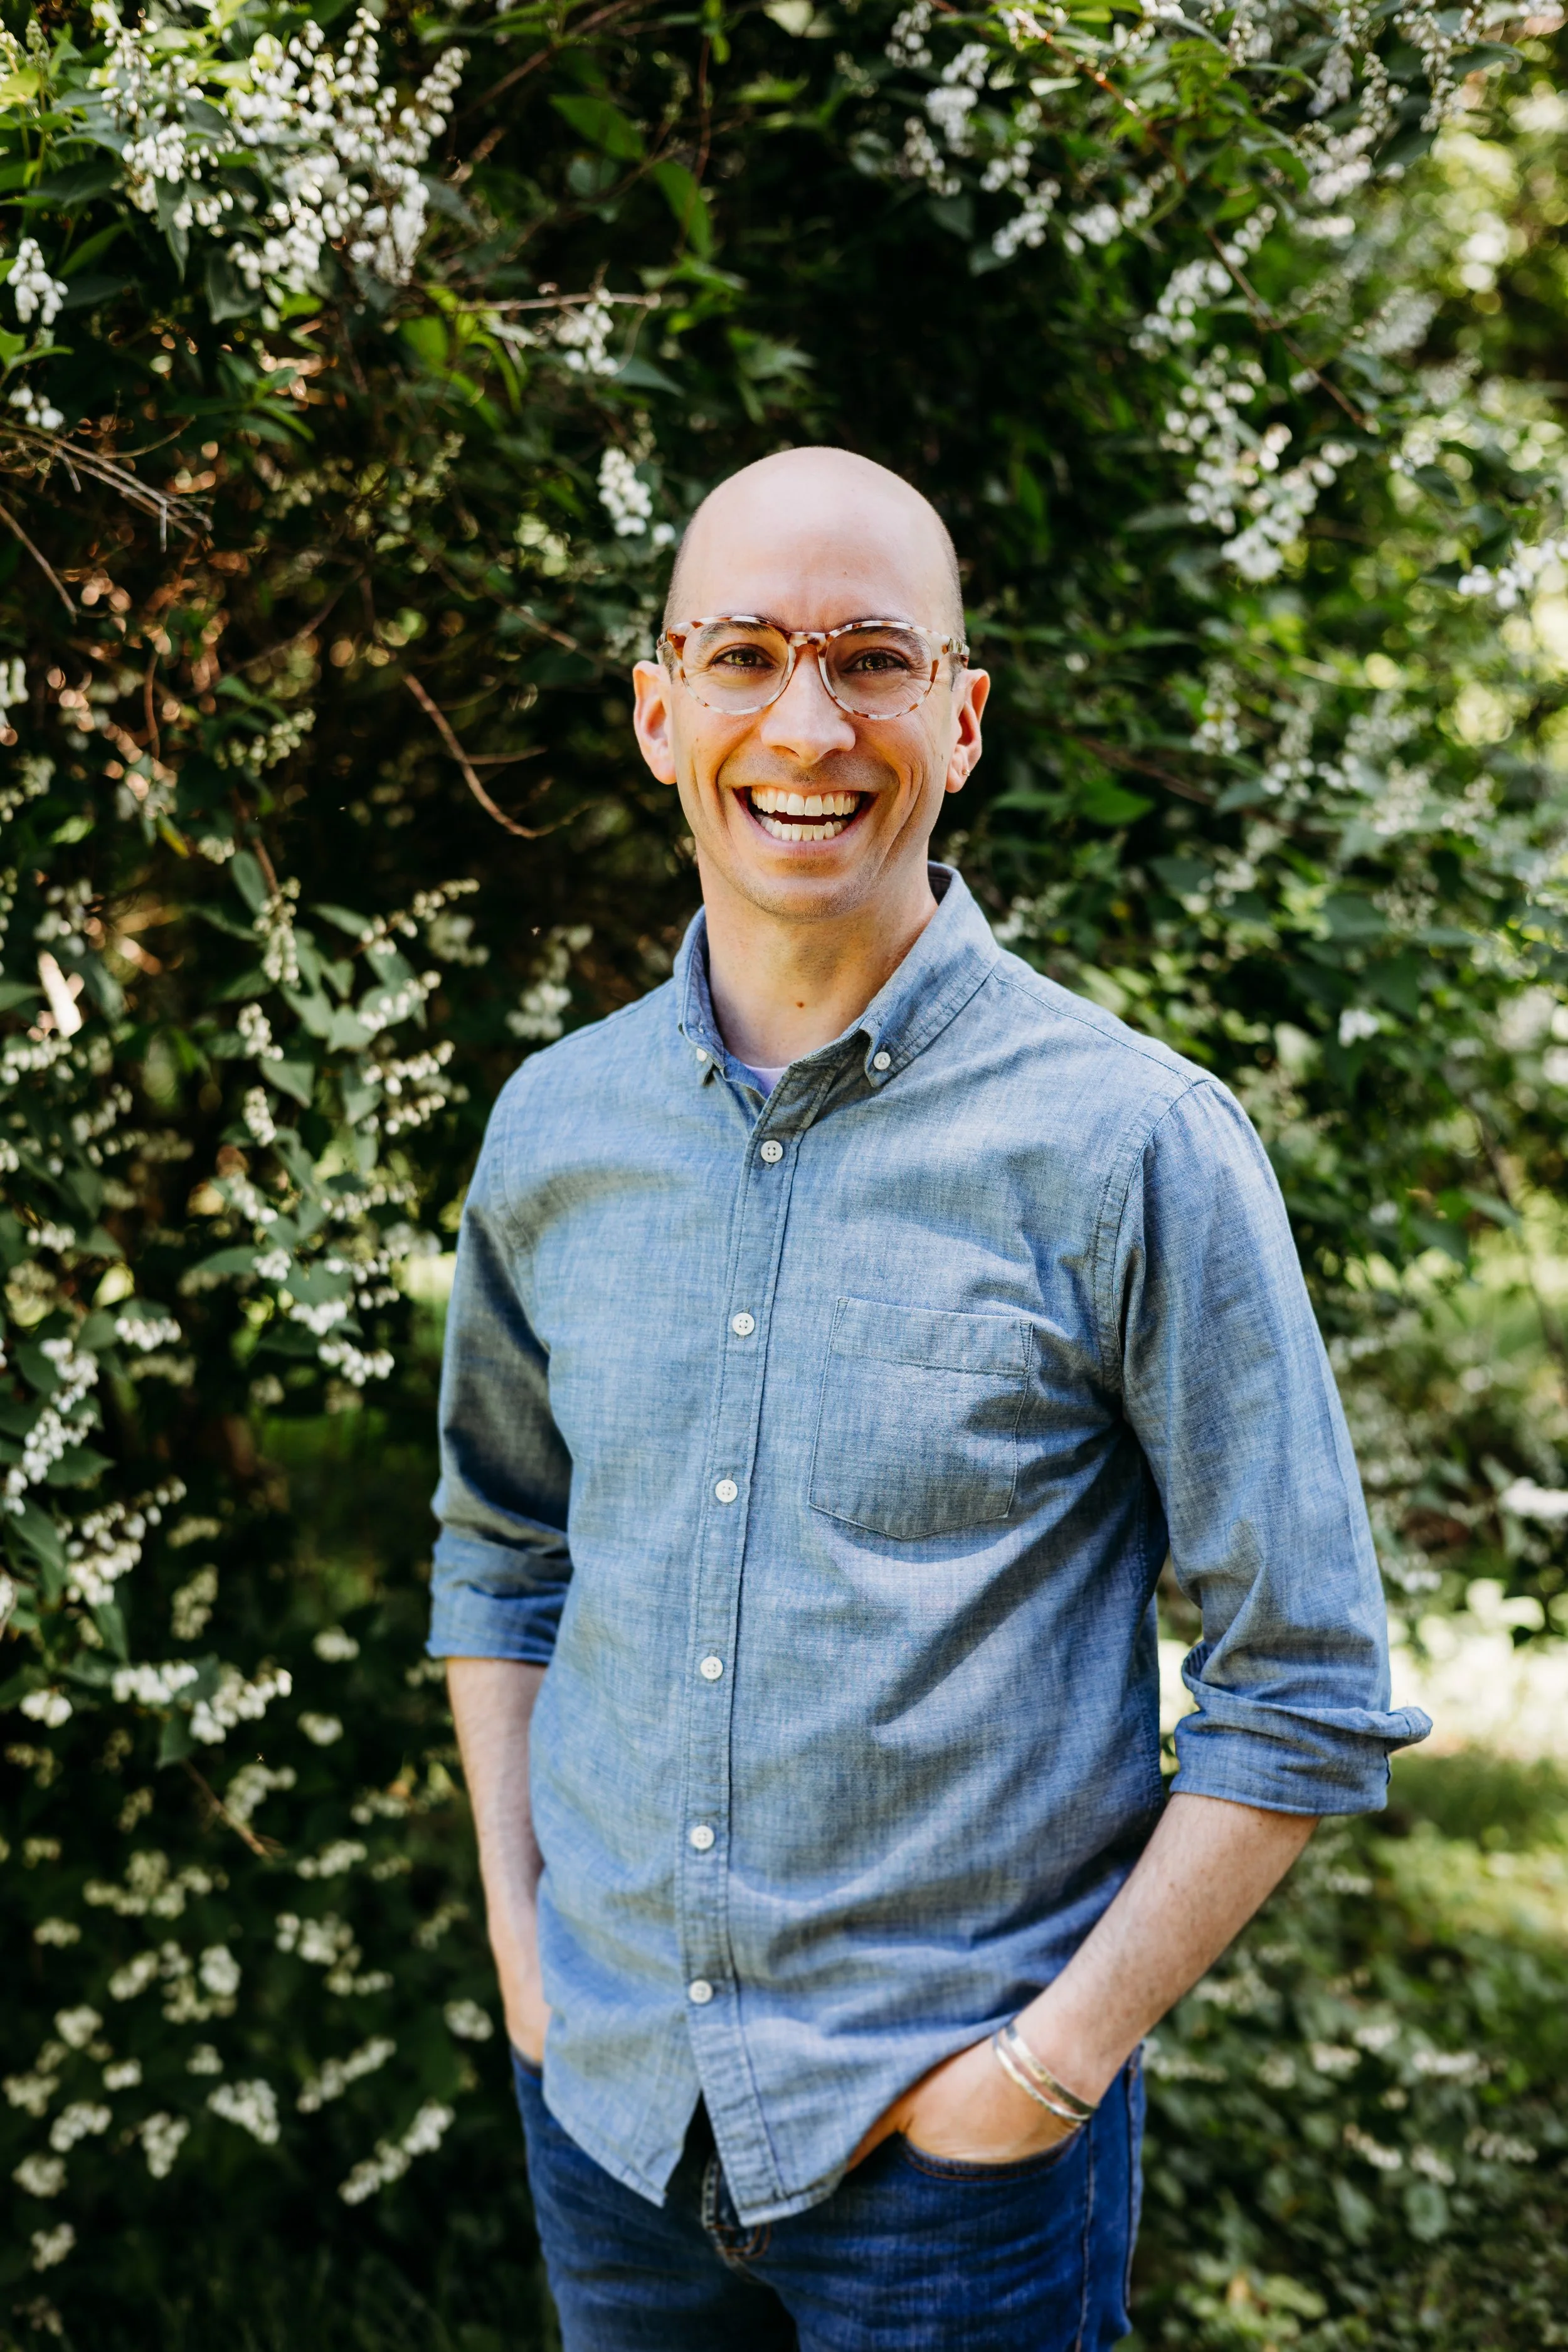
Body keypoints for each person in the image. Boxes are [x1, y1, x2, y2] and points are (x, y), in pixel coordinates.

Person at [428, 447, 1429, 2351]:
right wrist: (523, 1947)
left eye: (870, 659)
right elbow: (502, 1545)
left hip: (955, 2186)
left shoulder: (1133, 1143)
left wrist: (1043, 2075)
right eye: (742, 656)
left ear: (958, 720)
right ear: (659, 710)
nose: (806, 722)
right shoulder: (553, 1127)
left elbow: (1300, 1680)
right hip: (612, 2119)